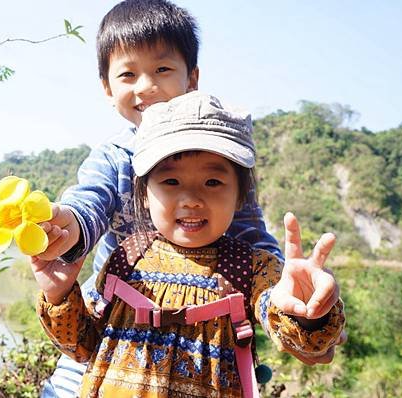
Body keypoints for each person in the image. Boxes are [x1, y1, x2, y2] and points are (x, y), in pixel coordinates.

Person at [35, 0, 343, 395]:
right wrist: (68, 232)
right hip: (111, 333)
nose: (146, 86)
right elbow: (88, 205)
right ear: (107, 89)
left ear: (192, 77)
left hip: (204, 352)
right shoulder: (115, 159)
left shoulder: (224, 155)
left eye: (162, 69)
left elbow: (257, 254)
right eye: (128, 74)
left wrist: (294, 302)